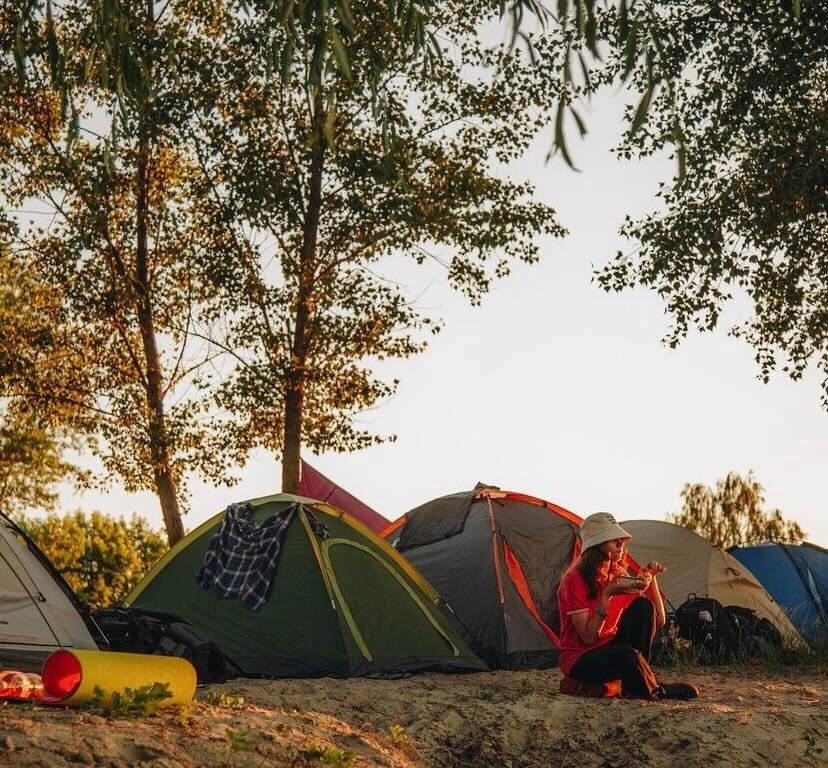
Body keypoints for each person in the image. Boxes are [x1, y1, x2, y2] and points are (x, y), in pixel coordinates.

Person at [557, 512, 698, 700]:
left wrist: (651, 580)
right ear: (597, 545)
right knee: (626, 655)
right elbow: (588, 638)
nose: (620, 544)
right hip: (580, 658)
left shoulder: (615, 573)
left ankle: (641, 683)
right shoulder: (574, 579)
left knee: (643, 606)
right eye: (613, 539)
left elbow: (659, 620)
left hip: (609, 647)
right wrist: (606, 596)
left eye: (621, 539)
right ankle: (652, 689)